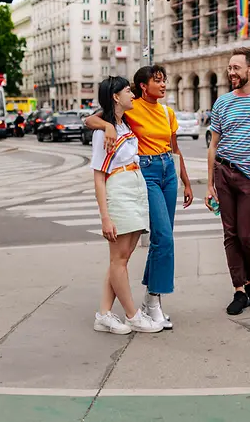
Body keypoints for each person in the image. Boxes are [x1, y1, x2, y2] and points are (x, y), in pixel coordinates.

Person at [87, 65, 194, 329]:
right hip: (144, 172)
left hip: (168, 169)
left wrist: (186, 182)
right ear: (142, 86)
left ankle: (150, 299)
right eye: (158, 81)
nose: (164, 85)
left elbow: (174, 148)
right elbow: (92, 120)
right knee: (161, 239)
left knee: (161, 238)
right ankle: (146, 307)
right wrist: (105, 126)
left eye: (165, 80)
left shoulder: (166, 113)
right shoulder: (132, 110)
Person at [206, 47, 250, 315]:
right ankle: (239, 289)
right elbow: (214, 145)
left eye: (236, 67)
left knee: (247, 235)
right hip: (223, 172)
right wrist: (210, 184)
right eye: (229, 68)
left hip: (249, 176)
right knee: (230, 234)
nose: (231, 72)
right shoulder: (222, 102)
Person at [91, 76, 163, 334]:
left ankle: (104, 314)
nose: (132, 95)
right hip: (119, 189)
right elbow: (99, 175)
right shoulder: (104, 132)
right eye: (127, 92)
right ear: (115, 97)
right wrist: (105, 217)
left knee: (121, 258)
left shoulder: (123, 125)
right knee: (119, 259)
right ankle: (133, 315)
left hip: (134, 187)